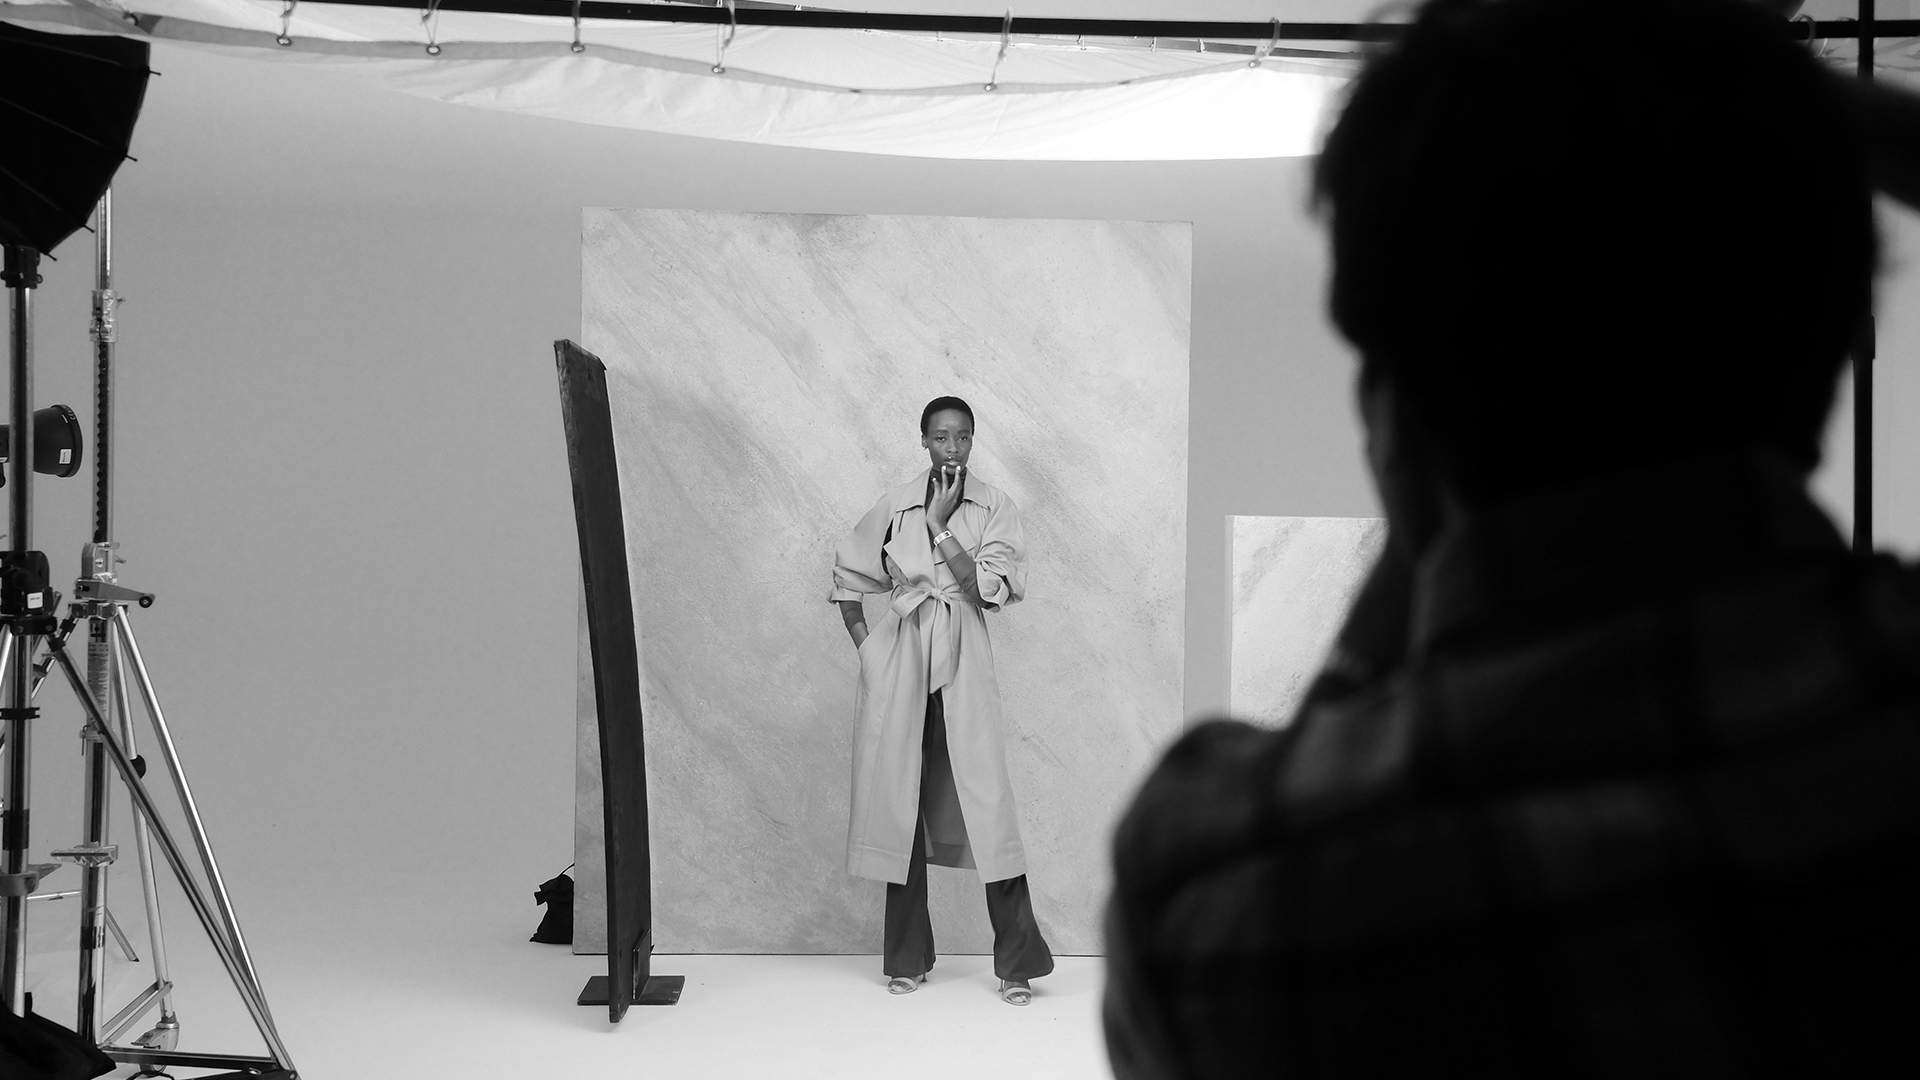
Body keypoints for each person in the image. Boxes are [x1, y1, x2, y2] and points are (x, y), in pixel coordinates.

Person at [1102, 0, 1920, 1076]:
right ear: (1830, 356)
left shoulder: (1226, 896)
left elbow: (1290, 814)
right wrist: (1778, 108)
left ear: (1391, 416)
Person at [831, 396, 1055, 1005]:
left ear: (973, 440)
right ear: (924, 440)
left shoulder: (994, 506)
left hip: (965, 660)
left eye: (961, 437)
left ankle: (1016, 964)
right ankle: (907, 959)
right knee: (898, 801)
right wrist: (868, 650)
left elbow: (985, 592)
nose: (951, 448)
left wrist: (939, 526)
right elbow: (848, 575)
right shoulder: (895, 503)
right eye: (939, 437)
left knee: (989, 806)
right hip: (902, 660)